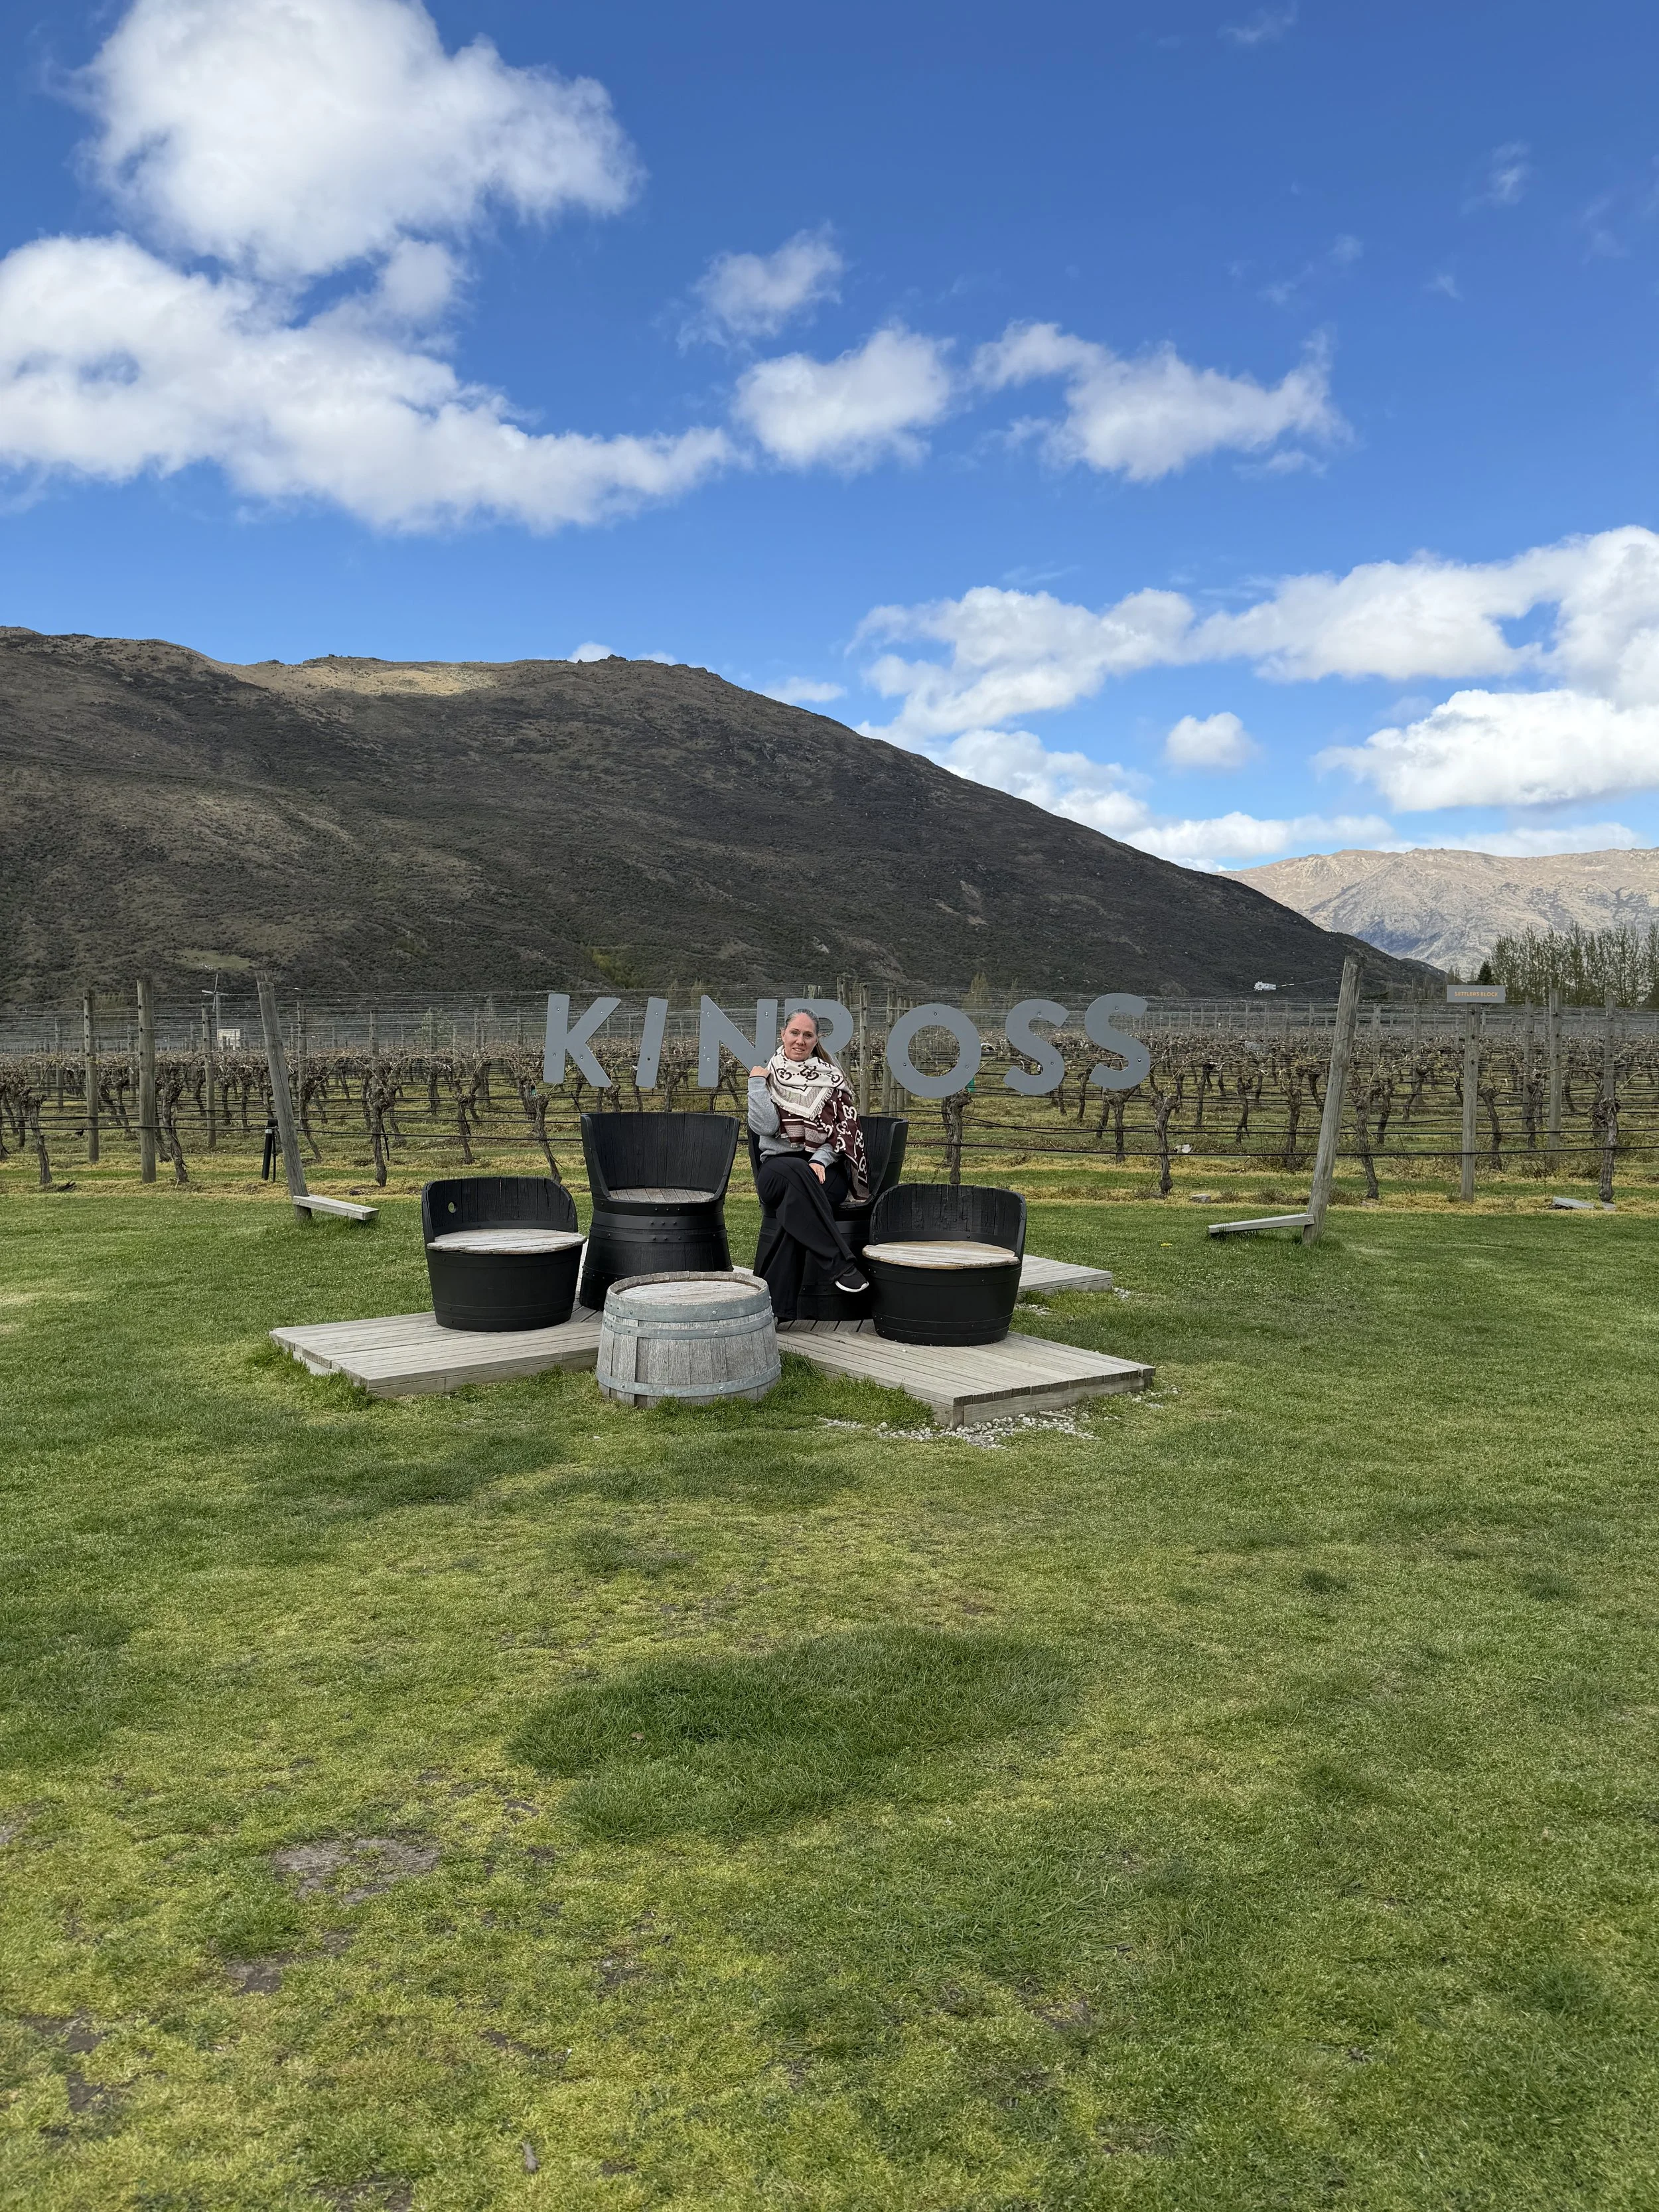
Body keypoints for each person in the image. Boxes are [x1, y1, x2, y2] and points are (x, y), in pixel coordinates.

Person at [749, 1009, 871, 1319]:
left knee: (797, 1209)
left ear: (816, 1040)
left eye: (807, 1035)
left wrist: (820, 1158)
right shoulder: (768, 1076)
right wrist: (756, 1084)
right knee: (797, 1175)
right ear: (783, 1034)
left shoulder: (832, 1080)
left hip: (824, 1170)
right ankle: (840, 1264)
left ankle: (772, 1311)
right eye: (794, 1033)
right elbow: (765, 1127)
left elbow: (844, 1131)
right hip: (778, 1168)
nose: (800, 1041)